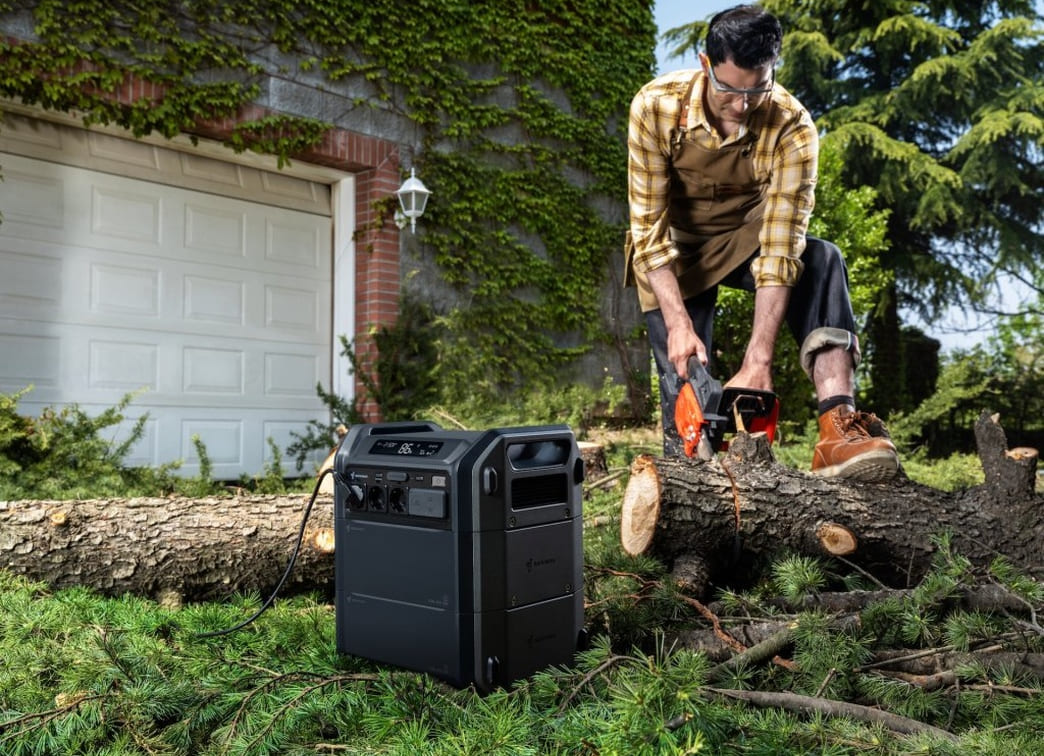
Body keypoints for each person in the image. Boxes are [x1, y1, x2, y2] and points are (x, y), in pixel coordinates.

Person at [626, 3, 898, 481]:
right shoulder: (655, 106)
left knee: (821, 258)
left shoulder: (793, 127)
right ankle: (691, 489)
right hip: (675, 250)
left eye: (759, 88)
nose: (743, 105)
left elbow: (779, 248)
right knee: (688, 406)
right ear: (705, 63)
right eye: (730, 88)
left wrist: (759, 360)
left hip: (746, 235)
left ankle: (838, 424)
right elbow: (649, 228)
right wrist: (678, 324)